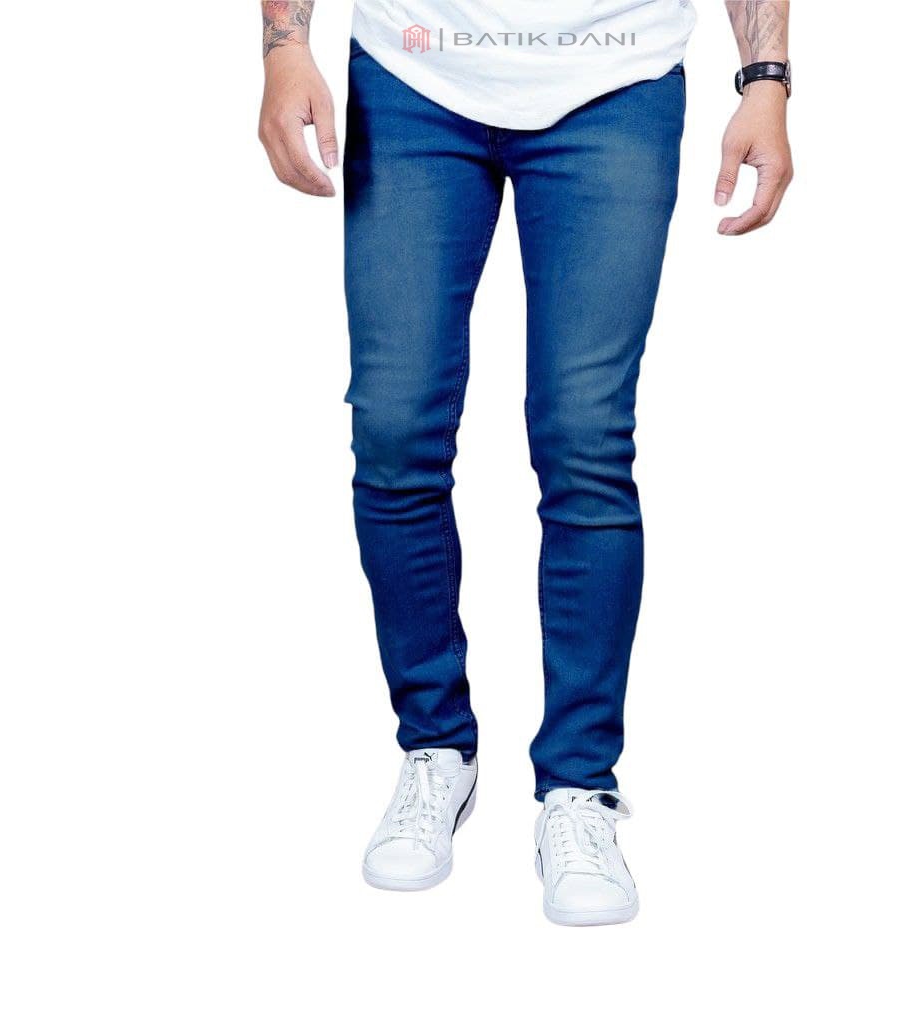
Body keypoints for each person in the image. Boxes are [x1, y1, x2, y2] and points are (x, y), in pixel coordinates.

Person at [257, 1, 792, 925]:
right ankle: (437, 749)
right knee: (393, 427)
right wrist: (284, 46)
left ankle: (578, 787)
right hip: (415, 72)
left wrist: (767, 81)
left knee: (585, 438)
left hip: (615, 80)